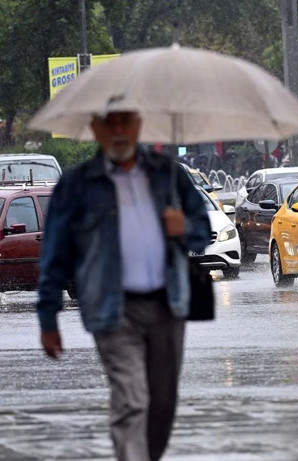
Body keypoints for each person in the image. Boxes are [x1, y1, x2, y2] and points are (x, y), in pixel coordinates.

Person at [37, 111, 210, 461]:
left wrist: (184, 228)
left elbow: (203, 232)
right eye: (109, 123)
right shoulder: (77, 185)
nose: (118, 131)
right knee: (132, 399)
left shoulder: (168, 174)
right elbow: (55, 253)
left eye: (125, 122)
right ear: (94, 128)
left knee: (162, 403)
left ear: (139, 124)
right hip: (112, 308)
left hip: (168, 305)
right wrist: (48, 318)